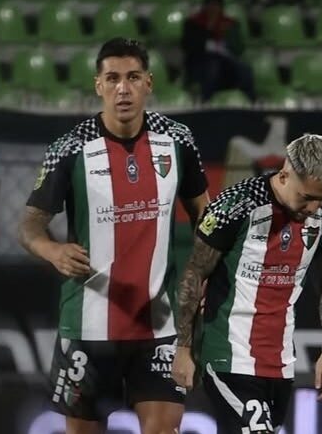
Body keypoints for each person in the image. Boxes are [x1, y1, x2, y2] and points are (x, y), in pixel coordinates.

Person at [17, 37, 210, 434]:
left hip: (159, 323)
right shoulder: (70, 149)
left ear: (149, 83)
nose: (123, 88)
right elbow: (29, 226)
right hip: (87, 326)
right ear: (98, 85)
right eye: (113, 78)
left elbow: (204, 217)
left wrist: (207, 274)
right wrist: (52, 249)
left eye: (133, 77)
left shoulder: (178, 140)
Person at [169, 134, 322, 432]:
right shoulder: (235, 207)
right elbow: (193, 274)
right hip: (229, 356)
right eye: (306, 198)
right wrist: (184, 348)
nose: (314, 209)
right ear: (285, 175)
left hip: (281, 364)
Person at [180, 0, 256, 103]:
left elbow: (238, 48)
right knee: (212, 67)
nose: (213, 8)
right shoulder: (193, 24)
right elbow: (187, 46)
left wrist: (227, 40)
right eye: (210, 5)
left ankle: (250, 102)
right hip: (201, 63)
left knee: (244, 70)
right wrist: (207, 36)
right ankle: (206, 102)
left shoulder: (230, 24)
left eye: (216, 5)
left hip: (226, 63)